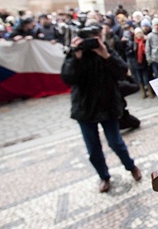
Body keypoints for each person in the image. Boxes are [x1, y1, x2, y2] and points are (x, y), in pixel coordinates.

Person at [60, 23, 142, 193]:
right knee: (93, 149)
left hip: (108, 106)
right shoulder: (76, 55)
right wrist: (76, 56)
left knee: (116, 143)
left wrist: (105, 55)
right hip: (85, 109)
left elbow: (123, 72)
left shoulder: (108, 53)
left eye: (98, 37)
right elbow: (67, 78)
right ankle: (104, 176)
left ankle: (131, 166)